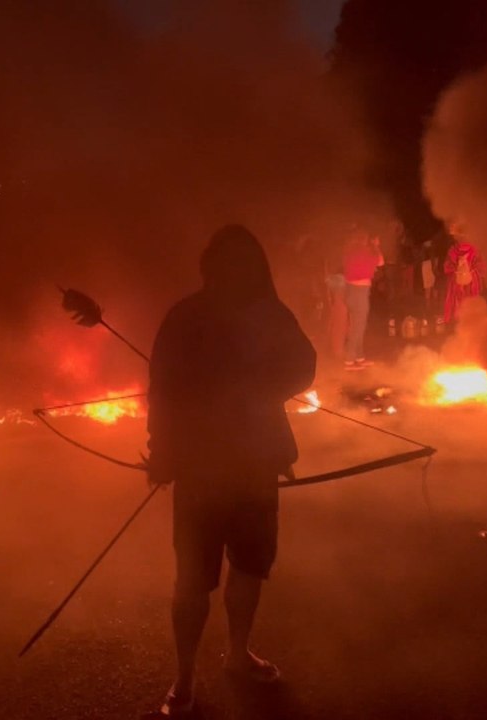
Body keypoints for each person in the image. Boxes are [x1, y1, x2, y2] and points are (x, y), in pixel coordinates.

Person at [145, 224, 316, 718]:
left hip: (257, 463)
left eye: (247, 262)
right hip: (200, 469)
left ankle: (238, 655)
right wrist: (162, 452)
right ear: (211, 268)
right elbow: (162, 392)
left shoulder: (271, 314)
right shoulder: (186, 318)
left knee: (249, 567)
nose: (239, 272)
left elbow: (304, 366)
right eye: (229, 262)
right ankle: (183, 676)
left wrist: (260, 385)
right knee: (192, 580)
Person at [341, 230, 383, 369]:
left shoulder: (349, 252)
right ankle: (349, 360)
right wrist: (376, 246)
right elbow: (381, 262)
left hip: (350, 291)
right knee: (358, 327)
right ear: (363, 241)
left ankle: (359, 357)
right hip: (360, 293)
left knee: (357, 325)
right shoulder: (366, 252)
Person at [443, 229, 486, 325]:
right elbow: (447, 266)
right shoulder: (453, 250)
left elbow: (481, 266)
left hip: (469, 284)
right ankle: (462, 326)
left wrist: (471, 273)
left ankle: (469, 324)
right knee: (460, 305)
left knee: (468, 304)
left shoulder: (474, 250)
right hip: (458, 284)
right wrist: (457, 272)